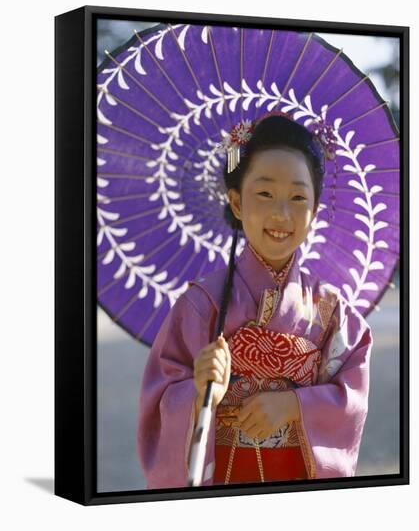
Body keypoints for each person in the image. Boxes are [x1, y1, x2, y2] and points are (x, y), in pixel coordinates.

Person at [137, 113, 373, 489]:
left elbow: (352, 396)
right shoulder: (201, 303)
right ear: (235, 201)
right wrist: (199, 389)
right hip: (224, 478)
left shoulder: (331, 309)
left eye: (298, 197)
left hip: (298, 478)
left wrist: (295, 406)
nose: (281, 213)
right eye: (264, 193)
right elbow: (159, 398)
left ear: (314, 211)